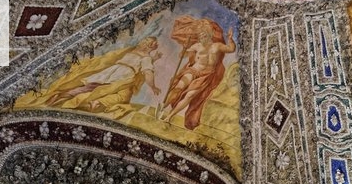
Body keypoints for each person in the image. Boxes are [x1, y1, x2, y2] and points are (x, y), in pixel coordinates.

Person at [14, 37, 162, 119]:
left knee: (89, 87)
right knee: (118, 95)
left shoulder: (132, 52)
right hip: (124, 75)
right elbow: (147, 73)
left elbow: (139, 64)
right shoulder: (146, 58)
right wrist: (153, 86)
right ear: (151, 47)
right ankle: (95, 102)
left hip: (112, 70)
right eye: (154, 45)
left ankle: (62, 95)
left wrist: (153, 60)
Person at [159, 17, 236, 129]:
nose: (201, 39)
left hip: (206, 75)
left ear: (210, 35)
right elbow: (182, 56)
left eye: (204, 36)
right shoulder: (196, 46)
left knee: (189, 95)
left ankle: (169, 117)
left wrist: (230, 39)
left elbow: (231, 49)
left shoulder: (216, 46)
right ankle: (163, 106)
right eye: (200, 36)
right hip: (193, 70)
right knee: (179, 86)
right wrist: (185, 49)